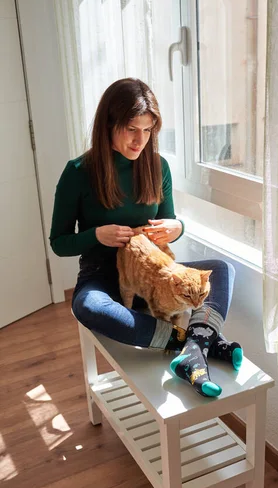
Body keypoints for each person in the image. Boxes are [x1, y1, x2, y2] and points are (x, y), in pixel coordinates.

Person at [50, 78, 242, 398]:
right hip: (103, 274)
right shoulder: (78, 172)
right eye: (131, 129)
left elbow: (171, 220)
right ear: (108, 124)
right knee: (87, 306)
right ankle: (193, 344)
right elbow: (58, 242)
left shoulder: (156, 166)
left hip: (155, 273)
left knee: (222, 270)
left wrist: (177, 228)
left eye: (148, 129)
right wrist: (96, 234)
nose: (141, 140)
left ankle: (191, 351)